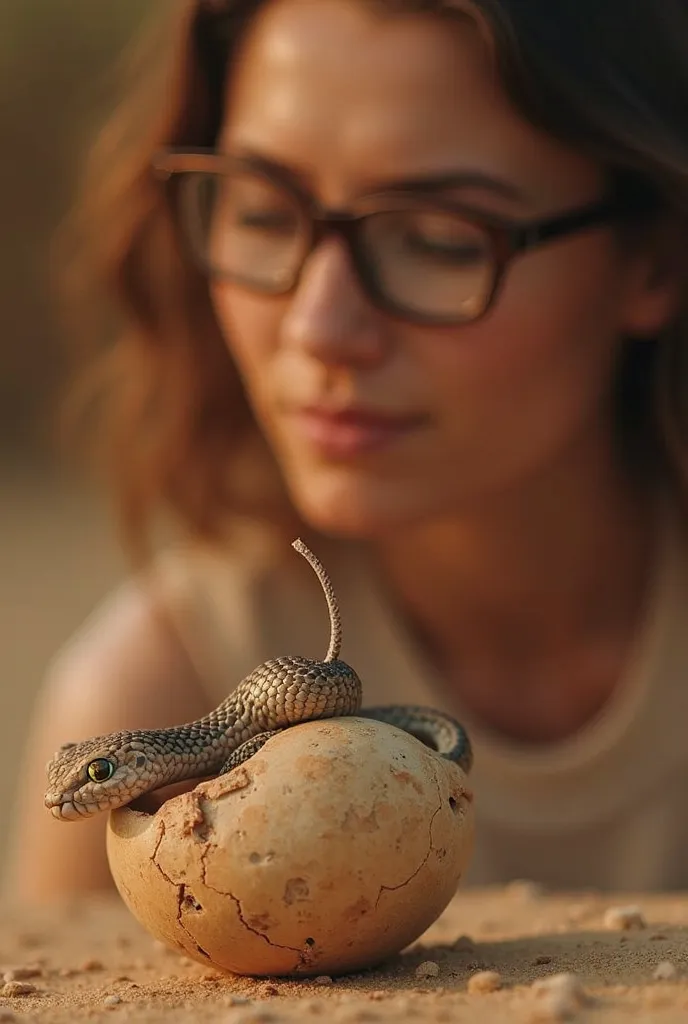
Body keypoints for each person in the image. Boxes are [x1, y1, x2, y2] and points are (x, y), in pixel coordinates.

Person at [7, 0, 688, 904]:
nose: (319, 326)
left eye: (440, 237)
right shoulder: (148, 692)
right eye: (260, 212)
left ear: (653, 261)